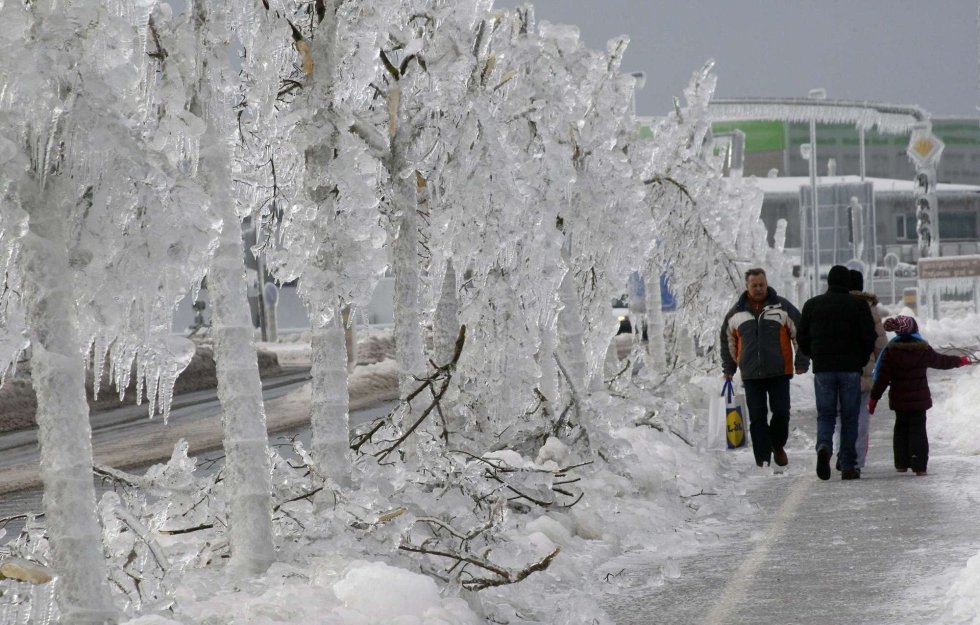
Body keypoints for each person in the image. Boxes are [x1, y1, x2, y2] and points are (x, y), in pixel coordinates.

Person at [720, 268, 809, 468]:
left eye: (762, 284)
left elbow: (801, 333)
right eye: (754, 285)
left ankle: (777, 445)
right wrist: (730, 367)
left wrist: (802, 361)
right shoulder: (736, 313)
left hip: (779, 371)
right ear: (747, 286)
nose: (759, 289)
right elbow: (727, 342)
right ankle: (763, 460)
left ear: (766, 284)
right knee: (757, 418)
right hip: (751, 374)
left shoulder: (782, 307)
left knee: (781, 412)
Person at [796, 265, 876, 481]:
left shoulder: (812, 305)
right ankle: (849, 465)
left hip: (823, 369)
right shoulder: (858, 305)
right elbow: (870, 336)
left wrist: (815, 356)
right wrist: (859, 360)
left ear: (829, 282)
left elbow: (801, 337)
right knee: (850, 417)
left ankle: (824, 446)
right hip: (850, 369)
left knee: (826, 415)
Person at [869, 315, 973, 476]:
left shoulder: (891, 351)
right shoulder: (922, 349)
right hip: (919, 400)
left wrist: (874, 398)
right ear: (914, 329)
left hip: (899, 400)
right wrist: (960, 360)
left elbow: (882, 377)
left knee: (901, 429)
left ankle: (902, 464)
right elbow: (940, 361)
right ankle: (920, 467)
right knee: (918, 430)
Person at [832, 269, 887, 471]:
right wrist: (877, 364)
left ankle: (842, 451)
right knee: (861, 415)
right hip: (865, 368)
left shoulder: (837, 305)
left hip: (839, 366)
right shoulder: (870, 308)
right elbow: (881, 343)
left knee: (840, 414)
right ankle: (856, 459)